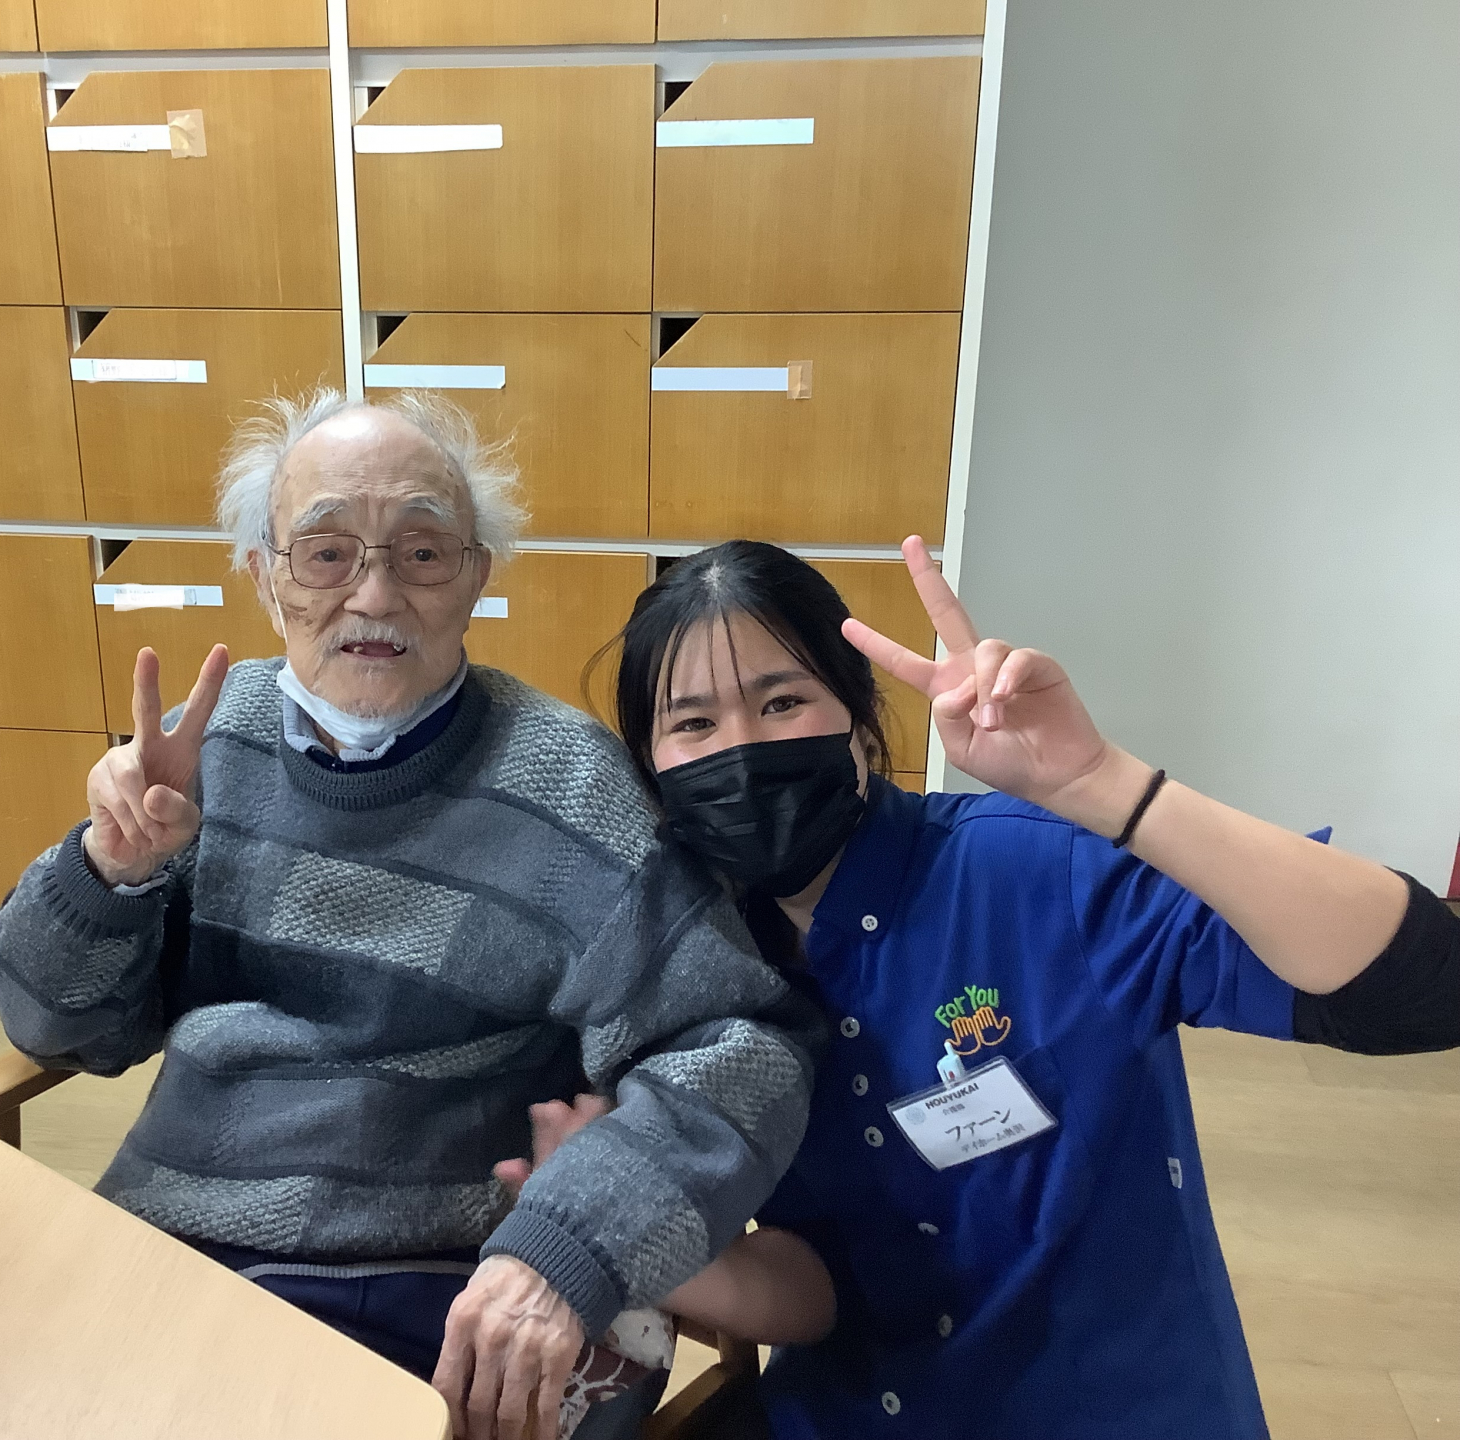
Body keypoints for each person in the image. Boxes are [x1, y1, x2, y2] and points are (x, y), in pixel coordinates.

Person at [0, 393, 826, 1440]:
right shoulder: (207, 748)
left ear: (475, 577)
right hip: (175, 1248)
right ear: (265, 576)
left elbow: (737, 1048)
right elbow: (50, 1026)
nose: (374, 594)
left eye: (422, 553)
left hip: (442, 1282)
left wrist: (567, 1245)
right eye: (326, 553)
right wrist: (108, 870)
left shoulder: (570, 785)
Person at [524, 535, 1459, 1438]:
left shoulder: (1039, 875)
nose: (741, 748)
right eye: (692, 724)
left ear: (859, 712)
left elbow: (1418, 989)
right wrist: (648, 1239)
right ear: (651, 768)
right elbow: (821, 1280)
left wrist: (1101, 783)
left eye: (782, 701)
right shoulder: (706, 973)